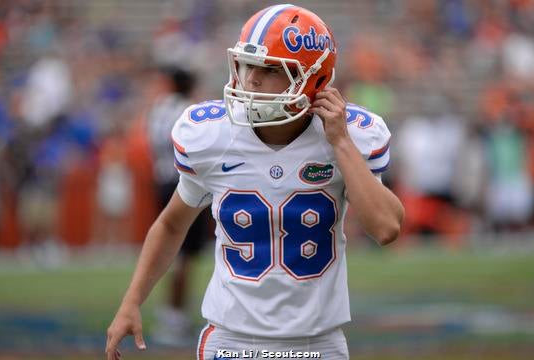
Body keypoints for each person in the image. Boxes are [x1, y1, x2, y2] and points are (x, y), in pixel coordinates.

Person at [106, 5, 404, 359]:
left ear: (315, 79)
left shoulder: (348, 135)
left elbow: (386, 228)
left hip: (318, 342)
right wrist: (132, 301)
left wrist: (340, 142)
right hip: (230, 341)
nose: (252, 79)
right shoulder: (213, 135)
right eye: (248, 65)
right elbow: (172, 224)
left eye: (270, 69)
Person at [147, 65, 209, 345]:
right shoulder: (188, 111)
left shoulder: (159, 108)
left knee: (171, 247)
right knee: (185, 255)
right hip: (184, 183)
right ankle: (174, 316)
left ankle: (171, 313)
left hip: (161, 180)